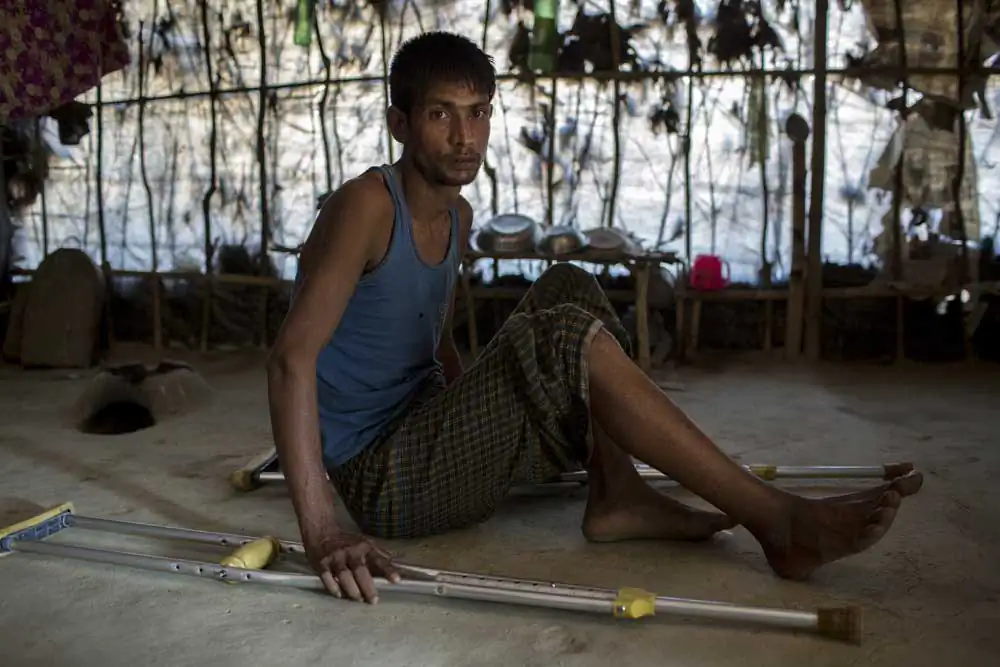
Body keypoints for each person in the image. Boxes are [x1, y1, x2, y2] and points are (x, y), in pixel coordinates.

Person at [266, 31, 923, 605]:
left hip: (427, 434)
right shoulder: (364, 206)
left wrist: (475, 411)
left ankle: (618, 490)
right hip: (385, 478)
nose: (465, 136)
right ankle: (776, 521)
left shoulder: (458, 217)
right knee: (555, 337)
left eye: (479, 113)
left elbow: (431, 340)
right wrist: (323, 527)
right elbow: (291, 359)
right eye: (441, 114)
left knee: (568, 282)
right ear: (400, 123)